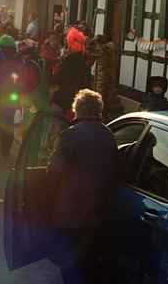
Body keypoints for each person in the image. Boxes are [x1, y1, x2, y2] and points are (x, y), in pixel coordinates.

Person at [47, 89, 118, 284]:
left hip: (72, 209)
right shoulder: (108, 135)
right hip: (98, 209)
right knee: (89, 262)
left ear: (76, 109)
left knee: (69, 262)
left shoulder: (70, 134)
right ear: (98, 111)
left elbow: (55, 169)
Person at [51, 50, 92, 119]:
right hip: (75, 104)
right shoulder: (84, 68)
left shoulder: (66, 63)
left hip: (60, 102)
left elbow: (56, 80)